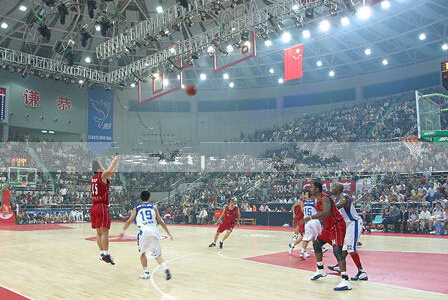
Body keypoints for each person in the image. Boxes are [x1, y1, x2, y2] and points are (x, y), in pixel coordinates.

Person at [300, 182, 350, 291]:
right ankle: (320, 269)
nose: (310, 188)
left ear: (317, 189)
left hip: (337, 226)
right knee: (317, 244)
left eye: (312, 187)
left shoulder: (325, 198)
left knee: (337, 251)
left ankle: (346, 280)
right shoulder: (317, 199)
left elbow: (326, 213)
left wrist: (309, 218)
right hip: (328, 227)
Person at [120, 191, 173, 280]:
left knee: (142, 253)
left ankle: (146, 273)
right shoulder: (154, 207)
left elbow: (129, 220)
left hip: (144, 231)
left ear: (141, 198)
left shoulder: (136, 207)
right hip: (154, 231)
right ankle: (166, 268)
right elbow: (161, 221)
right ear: (149, 198)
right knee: (157, 255)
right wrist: (168, 233)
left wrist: (123, 231)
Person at [328, 183, 368, 281]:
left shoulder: (344, 197)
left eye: (333, 187)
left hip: (354, 223)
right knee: (344, 248)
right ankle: (339, 265)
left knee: (351, 249)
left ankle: (361, 272)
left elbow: (340, 205)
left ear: (337, 189)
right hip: (347, 225)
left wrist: (328, 208)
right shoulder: (336, 199)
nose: (331, 188)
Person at [90, 156, 119, 265]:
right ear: (98, 169)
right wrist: (115, 160)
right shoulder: (101, 176)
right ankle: (106, 254)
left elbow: (111, 171)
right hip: (101, 206)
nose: (103, 168)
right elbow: (110, 169)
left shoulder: (94, 178)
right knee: (105, 232)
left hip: (94, 206)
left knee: (98, 232)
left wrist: (116, 165)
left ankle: (102, 253)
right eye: (101, 167)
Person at [289, 189, 323, 258]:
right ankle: (319, 250)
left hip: (307, 221)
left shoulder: (304, 203)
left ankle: (302, 251)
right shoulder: (314, 202)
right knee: (318, 237)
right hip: (313, 220)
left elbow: (304, 211)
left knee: (306, 237)